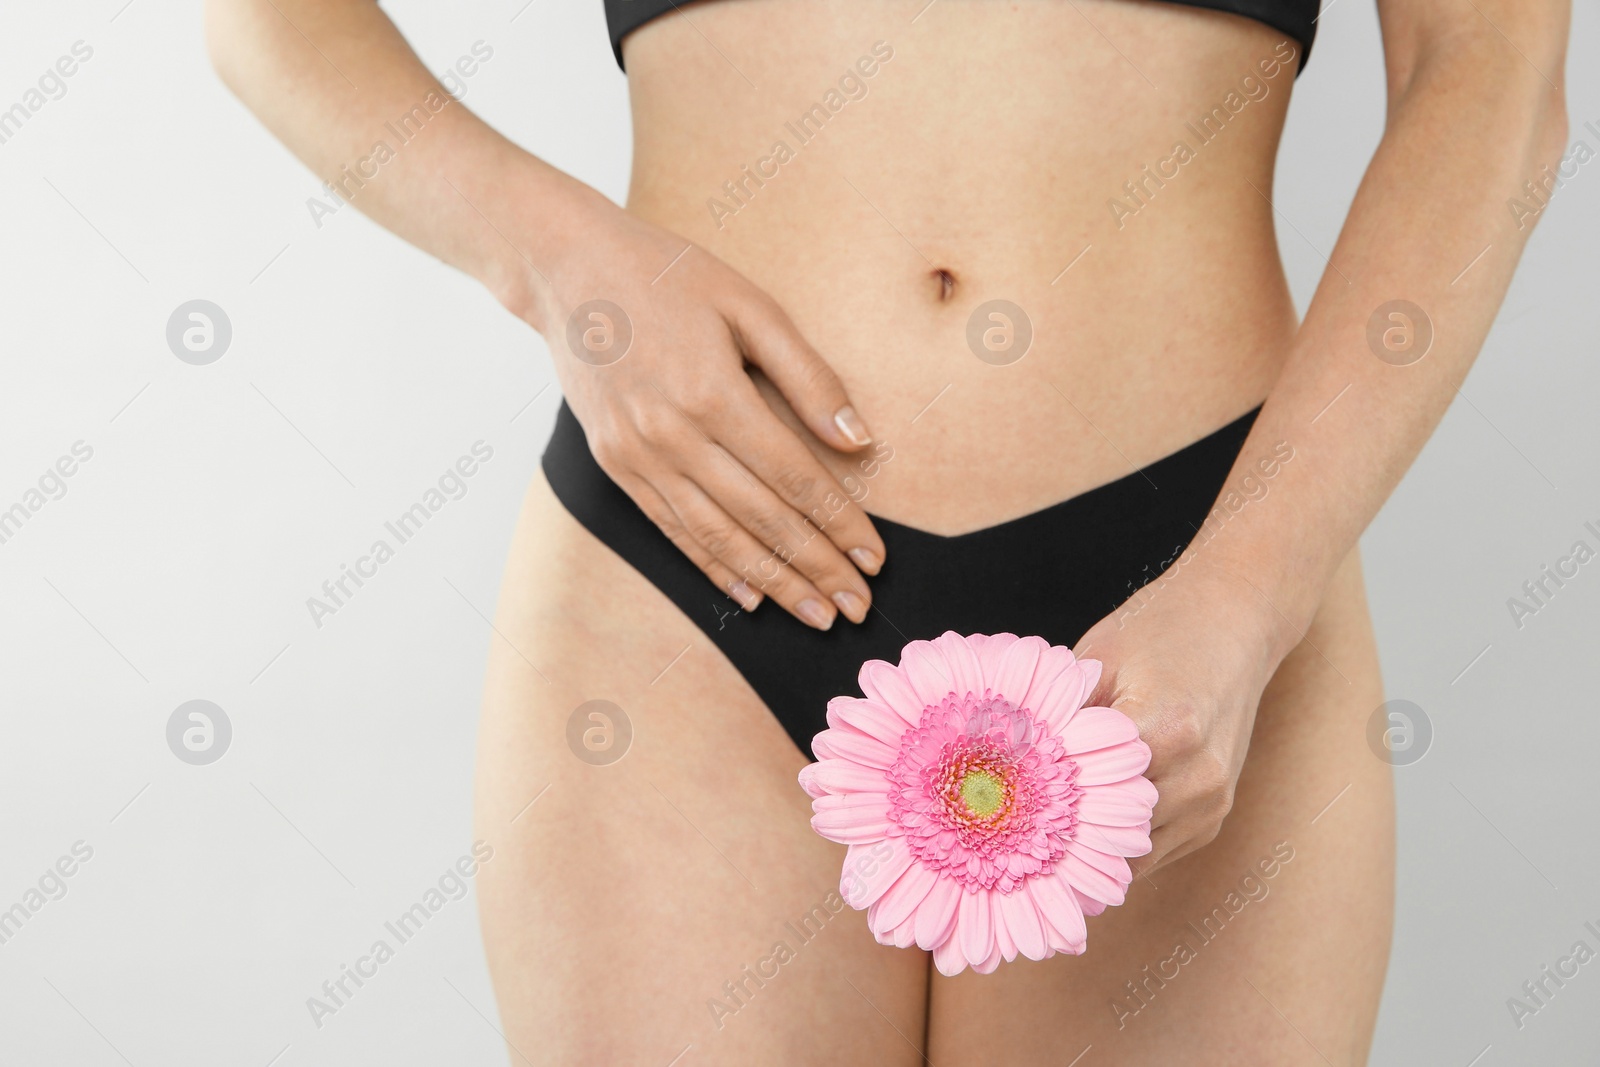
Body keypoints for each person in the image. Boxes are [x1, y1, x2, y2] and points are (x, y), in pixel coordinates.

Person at [207, 0, 1570, 1061]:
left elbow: (1489, 68)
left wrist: (1250, 590)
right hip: (695, 566)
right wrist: (564, 265)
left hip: (1198, 581)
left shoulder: (1231, 594)